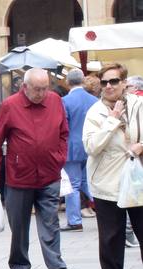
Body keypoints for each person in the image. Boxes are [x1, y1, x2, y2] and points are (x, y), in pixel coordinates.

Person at [0, 68, 78, 269]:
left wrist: (59, 157)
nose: (41, 93)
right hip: (19, 176)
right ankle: (20, 265)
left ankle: (57, 267)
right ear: (24, 87)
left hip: (49, 173)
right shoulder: (10, 105)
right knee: (18, 224)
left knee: (51, 221)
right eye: (37, 89)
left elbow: (64, 132)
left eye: (45, 88)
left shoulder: (55, 101)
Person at [82, 63, 143, 269]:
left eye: (114, 81)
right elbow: (91, 146)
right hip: (107, 178)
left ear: (124, 83)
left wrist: (141, 146)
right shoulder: (95, 112)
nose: (109, 86)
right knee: (111, 231)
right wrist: (112, 119)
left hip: (137, 177)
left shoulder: (139, 105)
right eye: (104, 82)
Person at [62, 68, 99, 233]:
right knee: (88, 182)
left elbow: (63, 127)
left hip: (72, 147)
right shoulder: (94, 100)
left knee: (73, 185)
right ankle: (108, 209)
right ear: (83, 81)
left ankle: (74, 221)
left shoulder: (65, 101)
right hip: (91, 145)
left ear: (68, 82)